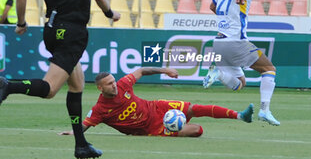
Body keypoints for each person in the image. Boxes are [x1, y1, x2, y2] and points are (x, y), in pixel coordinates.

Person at [0, 0, 120, 159]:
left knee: (77, 84)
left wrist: (22, 23)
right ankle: (8, 86)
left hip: (52, 30)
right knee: (49, 89)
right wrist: (110, 13)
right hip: (73, 32)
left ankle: (81, 145)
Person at [59, 67, 254, 137]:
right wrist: (71, 132)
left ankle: (239, 115)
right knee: (197, 130)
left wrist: (165, 70)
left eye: (113, 81)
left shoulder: (123, 84)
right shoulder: (100, 110)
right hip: (151, 128)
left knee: (193, 108)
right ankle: (176, 125)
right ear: (100, 88)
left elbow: (141, 70)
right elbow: (84, 126)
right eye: (109, 84)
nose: (114, 85)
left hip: (156, 106)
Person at [203, 0, 280, 126]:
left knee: (239, 84)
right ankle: (265, 110)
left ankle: (219, 74)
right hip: (236, 41)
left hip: (219, 42)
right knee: (269, 70)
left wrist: (227, 19)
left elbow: (212, 5)